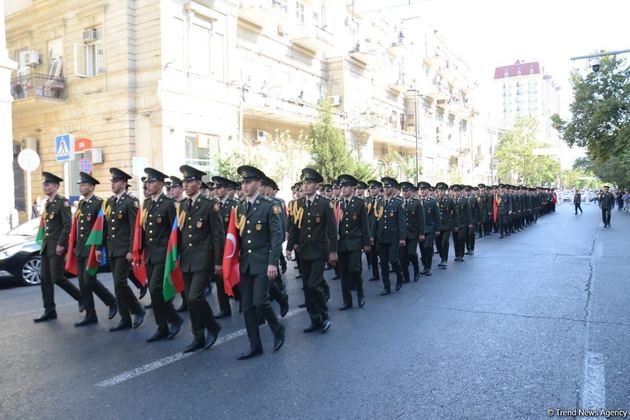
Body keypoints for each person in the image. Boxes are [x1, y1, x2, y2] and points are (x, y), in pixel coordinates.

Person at [235, 165, 285, 360]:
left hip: (263, 262)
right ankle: (255, 345)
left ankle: (277, 327)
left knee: (260, 301)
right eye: (243, 183)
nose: (245, 186)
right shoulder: (239, 207)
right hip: (246, 263)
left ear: (258, 183)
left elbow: (276, 236)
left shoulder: (268, 205)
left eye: (248, 182)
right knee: (247, 306)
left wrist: (273, 263)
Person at [177, 165, 224, 353]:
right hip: (187, 257)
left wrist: (218, 262)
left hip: (204, 258)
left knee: (195, 296)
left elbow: (217, 235)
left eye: (189, 181)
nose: (185, 185)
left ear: (198, 183)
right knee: (190, 300)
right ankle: (198, 336)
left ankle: (212, 326)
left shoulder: (209, 204)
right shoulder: (182, 205)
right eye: (184, 182)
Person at [287, 168, 337, 333]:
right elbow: (294, 228)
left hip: (319, 251)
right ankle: (314, 319)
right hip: (303, 251)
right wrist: (289, 248)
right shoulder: (298, 204)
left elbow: (331, 229)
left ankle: (324, 315)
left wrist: (333, 251)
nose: (305, 186)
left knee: (314, 284)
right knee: (307, 287)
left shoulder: (324, 203)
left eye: (309, 183)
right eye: (304, 183)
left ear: (316, 185)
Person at [141, 167, 183, 343]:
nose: (147, 185)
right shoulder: (147, 203)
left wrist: (175, 255)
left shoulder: (168, 204)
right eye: (146, 182)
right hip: (150, 254)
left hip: (164, 254)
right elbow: (143, 230)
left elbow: (175, 231)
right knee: (154, 291)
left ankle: (174, 319)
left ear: (159, 183)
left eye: (151, 182)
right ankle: (162, 327)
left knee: (157, 290)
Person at [33, 172, 82, 323]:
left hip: (57, 246)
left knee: (57, 278)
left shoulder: (63, 203)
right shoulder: (47, 203)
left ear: (56, 186)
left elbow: (68, 225)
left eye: (47, 184)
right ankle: (50, 310)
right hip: (47, 246)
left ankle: (81, 297)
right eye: (44, 184)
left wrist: (61, 244)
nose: (44, 186)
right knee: (45, 280)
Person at [73, 172, 118, 327]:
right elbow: (78, 227)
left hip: (92, 248)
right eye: (80, 184)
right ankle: (90, 314)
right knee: (82, 283)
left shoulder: (100, 203)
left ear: (92, 187)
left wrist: (99, 247)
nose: (81, 187)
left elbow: (102, 227)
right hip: (80, 248)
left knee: (89, 279)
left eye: (84, 185)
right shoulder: (81, 204)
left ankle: (111, 301)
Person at [105, 168, 146, 331]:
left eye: (116, 181)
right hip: (113, 249)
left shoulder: (131, 201)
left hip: (124, 250)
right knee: (117, 285)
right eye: (112, 181)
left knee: (120, 282)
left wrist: (131, 250)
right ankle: (125, 319)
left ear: (124, 183)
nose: (113, 184)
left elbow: (134, 228)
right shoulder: (110, 201)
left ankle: (138, 310)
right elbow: (108, 227)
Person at [336, 174, 370, 310]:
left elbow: (364, 225)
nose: (343, 189)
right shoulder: (337, 204)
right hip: (342, 243)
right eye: (342, 187)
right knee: (343, 273)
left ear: (352, 188)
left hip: (355, 242)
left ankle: (360, 293)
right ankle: (347, 301)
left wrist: (366, 243)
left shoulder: (359, 203)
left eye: (346, 187)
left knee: (354, 269)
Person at [370, 177, 405, 294]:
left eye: (388, 187)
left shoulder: (398, 203)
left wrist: (402, 238)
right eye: (384, 187)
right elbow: (375, 220)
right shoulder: (379, 201)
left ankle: (399, 275)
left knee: (393, 259)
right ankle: (387, 286)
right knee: (383, 263)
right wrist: (371, 235)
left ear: (393, 188)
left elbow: (401, 222)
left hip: (393, 237)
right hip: (381, 237)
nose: (386, 189)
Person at [399, 181, 425, 283]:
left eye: (407, 190)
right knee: (402, 257)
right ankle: (406, 276)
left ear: (411, 191)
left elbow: (421, 219)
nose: (404, 193)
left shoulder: (416, 202)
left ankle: (416, 268)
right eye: (403, 191)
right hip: (402, 234)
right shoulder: (398, 202)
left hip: (413, 233)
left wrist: (421, 233)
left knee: (411, 253)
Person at [435, 182, 458, 268]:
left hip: (447, 225)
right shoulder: (435, 199)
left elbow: (456, 213)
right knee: (438, 244)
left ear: (445, 191)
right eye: (439, 190)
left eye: (442, 190)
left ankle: (444, 259)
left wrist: (456, 225)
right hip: (437, 226)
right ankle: (442, 257)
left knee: (445, 242)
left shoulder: (450, 200)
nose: (441, 192)